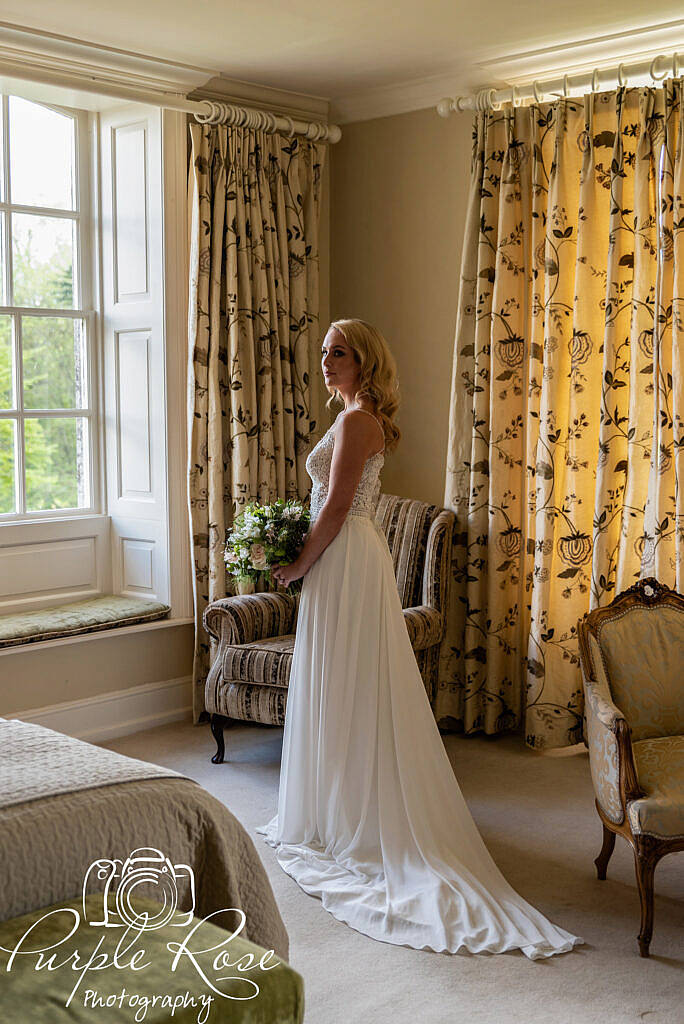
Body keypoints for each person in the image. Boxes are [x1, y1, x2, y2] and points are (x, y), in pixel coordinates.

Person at [257, 318, 582, 958]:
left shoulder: (357, 421)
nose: (326, 361)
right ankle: (333, 806)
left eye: (339, 353)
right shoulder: (355, 414)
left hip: (345, 558)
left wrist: (297, 564)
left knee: (348, 682)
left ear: (365, 360)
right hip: (347, 558)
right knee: (339, 682)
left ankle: (355, 817)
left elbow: (337, 505)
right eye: (323, 352)